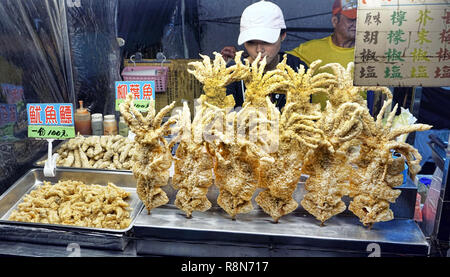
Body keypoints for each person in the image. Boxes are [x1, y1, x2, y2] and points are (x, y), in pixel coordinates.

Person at [225, 0, 308, 110]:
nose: (259, 49)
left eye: (266, 41)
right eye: (251, 42)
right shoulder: (232, 73)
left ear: (282, 35)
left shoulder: (299, 69)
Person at [286, 0, 358, 109]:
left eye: (360, 20)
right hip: (317, 123)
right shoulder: (311, 49)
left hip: (358, 122)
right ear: (335, 21)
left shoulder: (370, 54)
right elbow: (277, 60)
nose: (356, 24)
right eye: (351, 19)